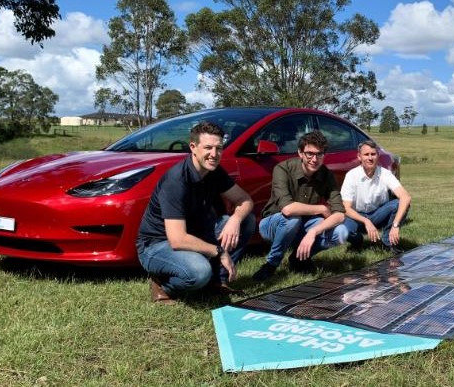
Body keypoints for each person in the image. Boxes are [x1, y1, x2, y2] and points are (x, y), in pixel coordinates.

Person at [136, 122, 255, 304]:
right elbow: (177, 239)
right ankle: (163, 285)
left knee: (246, 220)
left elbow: (245, 200)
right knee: (199, 272)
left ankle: (217, 282)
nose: (214, 154)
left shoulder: (214, 171)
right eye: (208, 147)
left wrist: (236, 219)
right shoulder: (176, 180)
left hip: (194, 233)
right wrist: (219, 252)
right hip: (157, 245)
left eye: (219, 148)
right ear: (193, 147)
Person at [252, 131, 348, 281]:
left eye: (319, 154)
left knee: (341, 232)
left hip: (306, 224)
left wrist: (313, 232)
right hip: (274, 224)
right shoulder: (282, 169)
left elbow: (340, 214)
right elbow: (288, 209)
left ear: (324, 155)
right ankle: (271, 264)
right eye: (309, 154)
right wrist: (322, 209)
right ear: (300, 153)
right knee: (293, 218)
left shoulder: (326, 175)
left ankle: (299, 258)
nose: (314, 159)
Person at [340, 140, 411, 254]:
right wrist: (366, 221)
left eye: (373, 154)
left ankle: (387, 241)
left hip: (378, 214)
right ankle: (357, 241)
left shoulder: (385, 174)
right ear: (359, 157)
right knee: (343, 230)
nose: (370, 158)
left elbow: (406, 197)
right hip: (357, 217)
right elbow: (345, 208)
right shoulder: (351, 175)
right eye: (366, 154)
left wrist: (396, 225)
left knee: (399, 203)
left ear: (378, 156)